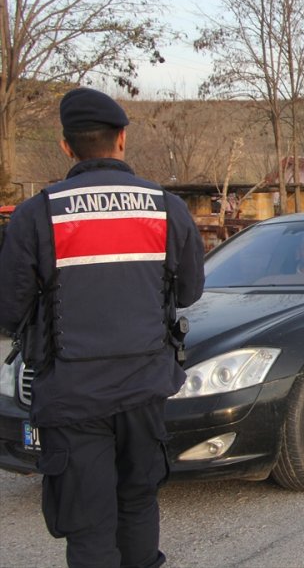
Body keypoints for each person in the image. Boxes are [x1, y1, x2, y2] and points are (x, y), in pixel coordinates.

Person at [0, 88, 205, 568]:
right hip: (143, 392)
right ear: (122, 140)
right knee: (137, 506)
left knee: (89, 527)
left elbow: (9, 310)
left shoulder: (38, 214)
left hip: (72, 399)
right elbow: (190, 291)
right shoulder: (165, 207)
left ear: (66, 146)